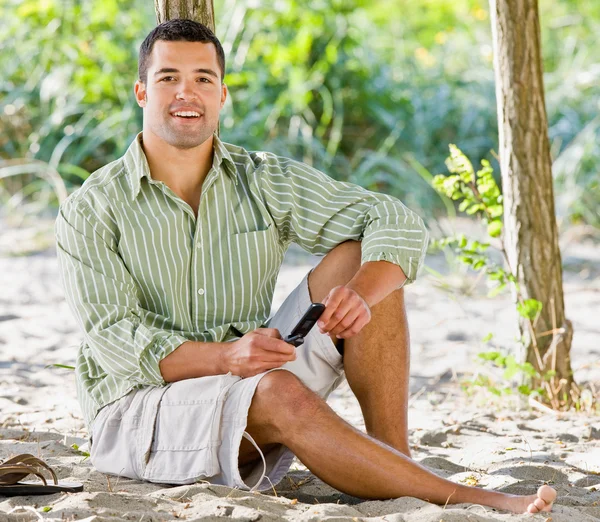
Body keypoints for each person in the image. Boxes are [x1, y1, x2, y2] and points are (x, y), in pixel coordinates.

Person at [55, 19, 556, 514]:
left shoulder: (262, 180)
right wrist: (228, 356)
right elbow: (118, 341)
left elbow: (393, 219)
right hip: (141, 410)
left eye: (202, 79)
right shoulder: (91, 208)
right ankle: (467, 498)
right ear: (142, 92)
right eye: (169, 78)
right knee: (277, 390)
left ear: (222, 94)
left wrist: (360, 292)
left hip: (250, 375)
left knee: (367, 258)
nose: (187, 93)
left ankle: (396, 466)